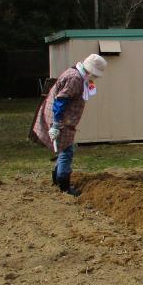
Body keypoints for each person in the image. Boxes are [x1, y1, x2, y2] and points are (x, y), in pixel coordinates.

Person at [30, 54, 108, 195]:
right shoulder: (75, 79)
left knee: (63, 148)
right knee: (67, 150)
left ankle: (56, 178)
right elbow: (61, 101)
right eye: (95, 75)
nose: (95, 78)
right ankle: (64, 185)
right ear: (90, 71)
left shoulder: (77, 74)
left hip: (62, 118)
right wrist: (56, 124)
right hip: (60, 119)